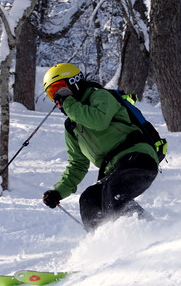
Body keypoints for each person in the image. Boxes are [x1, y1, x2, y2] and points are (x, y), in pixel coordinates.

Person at [41, 63, 159, 231]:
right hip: (113, 170)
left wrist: (69, 103)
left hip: (137, 157)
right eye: (52, 93)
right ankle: (103, 243)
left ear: (74, 82)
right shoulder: (72, 127)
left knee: (113, 191)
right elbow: (77, 165)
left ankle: (154, 231)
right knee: (89, 199)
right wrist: (58, 192)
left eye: (59, 88)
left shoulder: (99, 96)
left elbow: (98, 120)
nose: (57, 97)